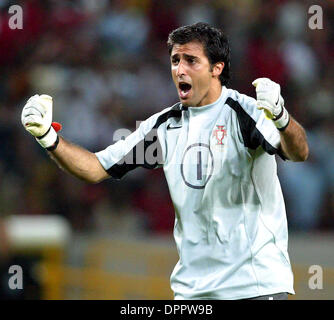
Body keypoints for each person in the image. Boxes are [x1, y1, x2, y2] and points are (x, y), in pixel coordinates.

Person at [21, 22, 309, 300]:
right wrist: (49, 138)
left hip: (253, 286)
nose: (180, 69)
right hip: (192, 292)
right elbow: (96, 168)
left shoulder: (245, 113)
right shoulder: (164, 127)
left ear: (216, 68)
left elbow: (298, 152)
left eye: (191, 61)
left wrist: (282, 117)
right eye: (175, 60)